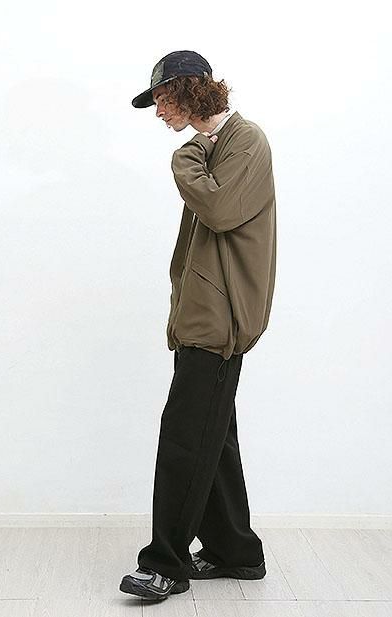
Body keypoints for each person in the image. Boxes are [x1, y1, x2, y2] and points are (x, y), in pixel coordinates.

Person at [119, 50, 277, 601]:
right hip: (201, 315)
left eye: (164, 99)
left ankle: (165, 563)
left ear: (191, 92)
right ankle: (237, 552)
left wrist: (187, 156)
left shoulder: (243, 141)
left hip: (221, 321)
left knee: (185, 440)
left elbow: (222, 209)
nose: (160, 112)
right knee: (214, 438)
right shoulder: (211, 146)